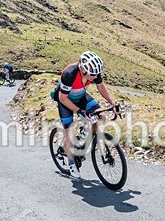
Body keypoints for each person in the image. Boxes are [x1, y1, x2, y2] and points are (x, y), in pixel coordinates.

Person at [50, 51, 119, 179]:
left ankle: (83, 133)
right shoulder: (69, 74)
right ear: (82, 69)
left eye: (97, 74)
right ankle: (71, 163)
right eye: (93, 74)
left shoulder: (93, 71)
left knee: (101, 117)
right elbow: (63, 98)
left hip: (80, 97)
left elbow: (101, 87)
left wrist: (113, 103)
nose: (95, 76)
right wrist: (79, 111)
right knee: (69, 134)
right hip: (65, 101)